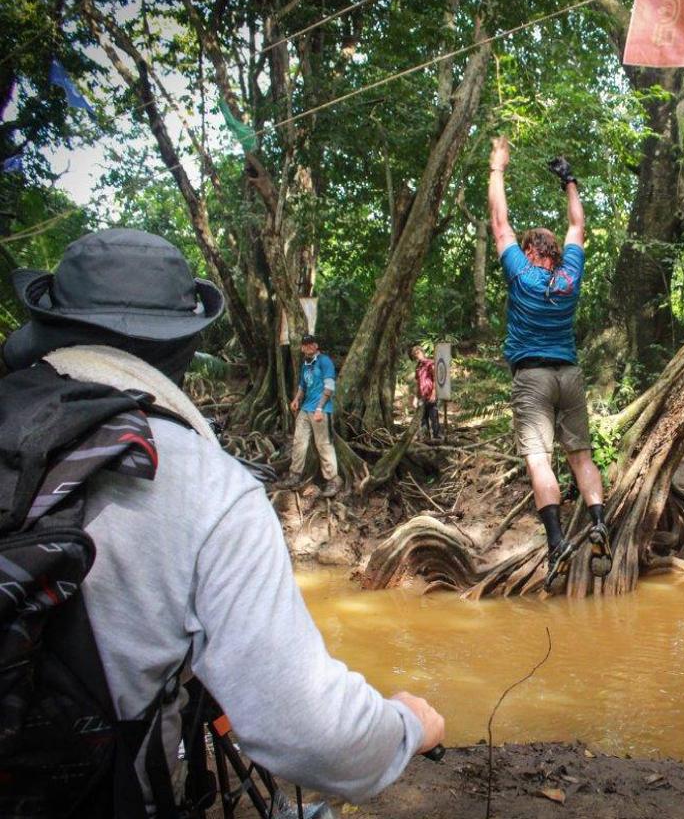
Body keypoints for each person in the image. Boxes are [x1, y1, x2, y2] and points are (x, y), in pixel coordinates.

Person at [0, 228, 444, 810]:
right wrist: (408, 724)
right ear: (183, 344)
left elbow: (327, 386)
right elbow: (314, 734)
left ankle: (331, 483)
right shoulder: (206, 484)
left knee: (323, 453)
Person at [487, 136, 611, 586]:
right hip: (570, 375)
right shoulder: (570, 275)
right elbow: (578, 226)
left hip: (533, 377)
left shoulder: (521, 274)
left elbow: (499, 223)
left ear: (530, 251)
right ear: (554, 251)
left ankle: (557, 541)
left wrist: (498, 167)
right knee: (580, 455)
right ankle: (598, 522)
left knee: (539, 459)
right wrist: (569, 180)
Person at [280, 333, 341, 497]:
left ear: (316, 346)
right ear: (302, 348)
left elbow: (329, 387)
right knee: (299, 442)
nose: (308, 347)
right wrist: (296, 400)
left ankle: (333, 481)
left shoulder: (324, 361)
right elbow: (302, 386)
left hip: (321, 410)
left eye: (311, 344)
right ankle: (294, 475)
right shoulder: (305, 365)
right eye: (305, 345)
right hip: (305, 409)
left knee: (324, 445)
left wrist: (320, 408)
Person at [409, 344, 442, 441]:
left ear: (422, 352)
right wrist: (416, 397)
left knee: (434, 417)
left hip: (430, 395)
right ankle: (425, 438)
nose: (416, 356)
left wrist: (434, 393)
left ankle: (437, 437)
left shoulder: (430, 363)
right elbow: (417, 383)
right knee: (423, 419)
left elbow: (436, 379)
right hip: (421, 397)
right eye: (414, 355)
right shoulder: (418, 367)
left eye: (418, 353)